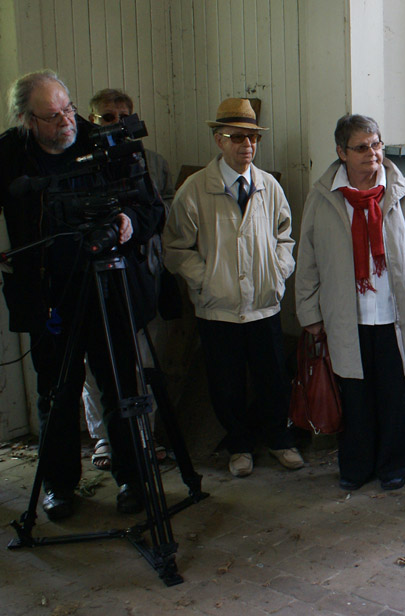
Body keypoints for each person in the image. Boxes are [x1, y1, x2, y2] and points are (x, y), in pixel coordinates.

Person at [0, 71, 165, 519]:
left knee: (119, 387)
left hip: (106, 288)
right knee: (56, 393)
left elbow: (151, 208)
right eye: (52, 116)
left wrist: (128, 223)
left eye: (68, 109)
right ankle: (59, 485)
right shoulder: (8, 154)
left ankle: (132, 476)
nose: (65, 122)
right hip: (47, 296)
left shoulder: (103, 142)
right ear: (26, 120)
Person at [295, 114, 405, 492]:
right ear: (341, 152)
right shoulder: (324, 198)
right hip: (348, 317)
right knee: (356, 398)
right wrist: (310, 314)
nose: (372, 154)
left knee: (399, 396)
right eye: (362, 147)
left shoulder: (403, 191)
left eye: (377, 144)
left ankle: (396, 465)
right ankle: (357, 465)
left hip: (399, 315)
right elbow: (309, 260)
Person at [163, 97, 302, 478]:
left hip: (262, 304)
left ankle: (279, 439)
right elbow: (175, 247)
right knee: (226, 383)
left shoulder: (268, 186)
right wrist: (206, 279)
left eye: (253, 138)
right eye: (237, 137)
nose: (247, 146)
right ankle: (239, 446)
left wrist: (277, 272)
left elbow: (284, 236)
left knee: (272, 377)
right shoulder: (194, 191)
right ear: (218, 140)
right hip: (218, 308)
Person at [83, 88, 174, 471]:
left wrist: (131, 225)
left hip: (138, 274)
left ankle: (144, 435)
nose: (116, 124)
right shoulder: (82, 162)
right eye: (107, 117)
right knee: (94, 367)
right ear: (92, 120)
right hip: (91, 280)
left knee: (140, 361)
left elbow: (161, 211)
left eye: (124, 116)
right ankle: (104, 438)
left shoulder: (150, 162)